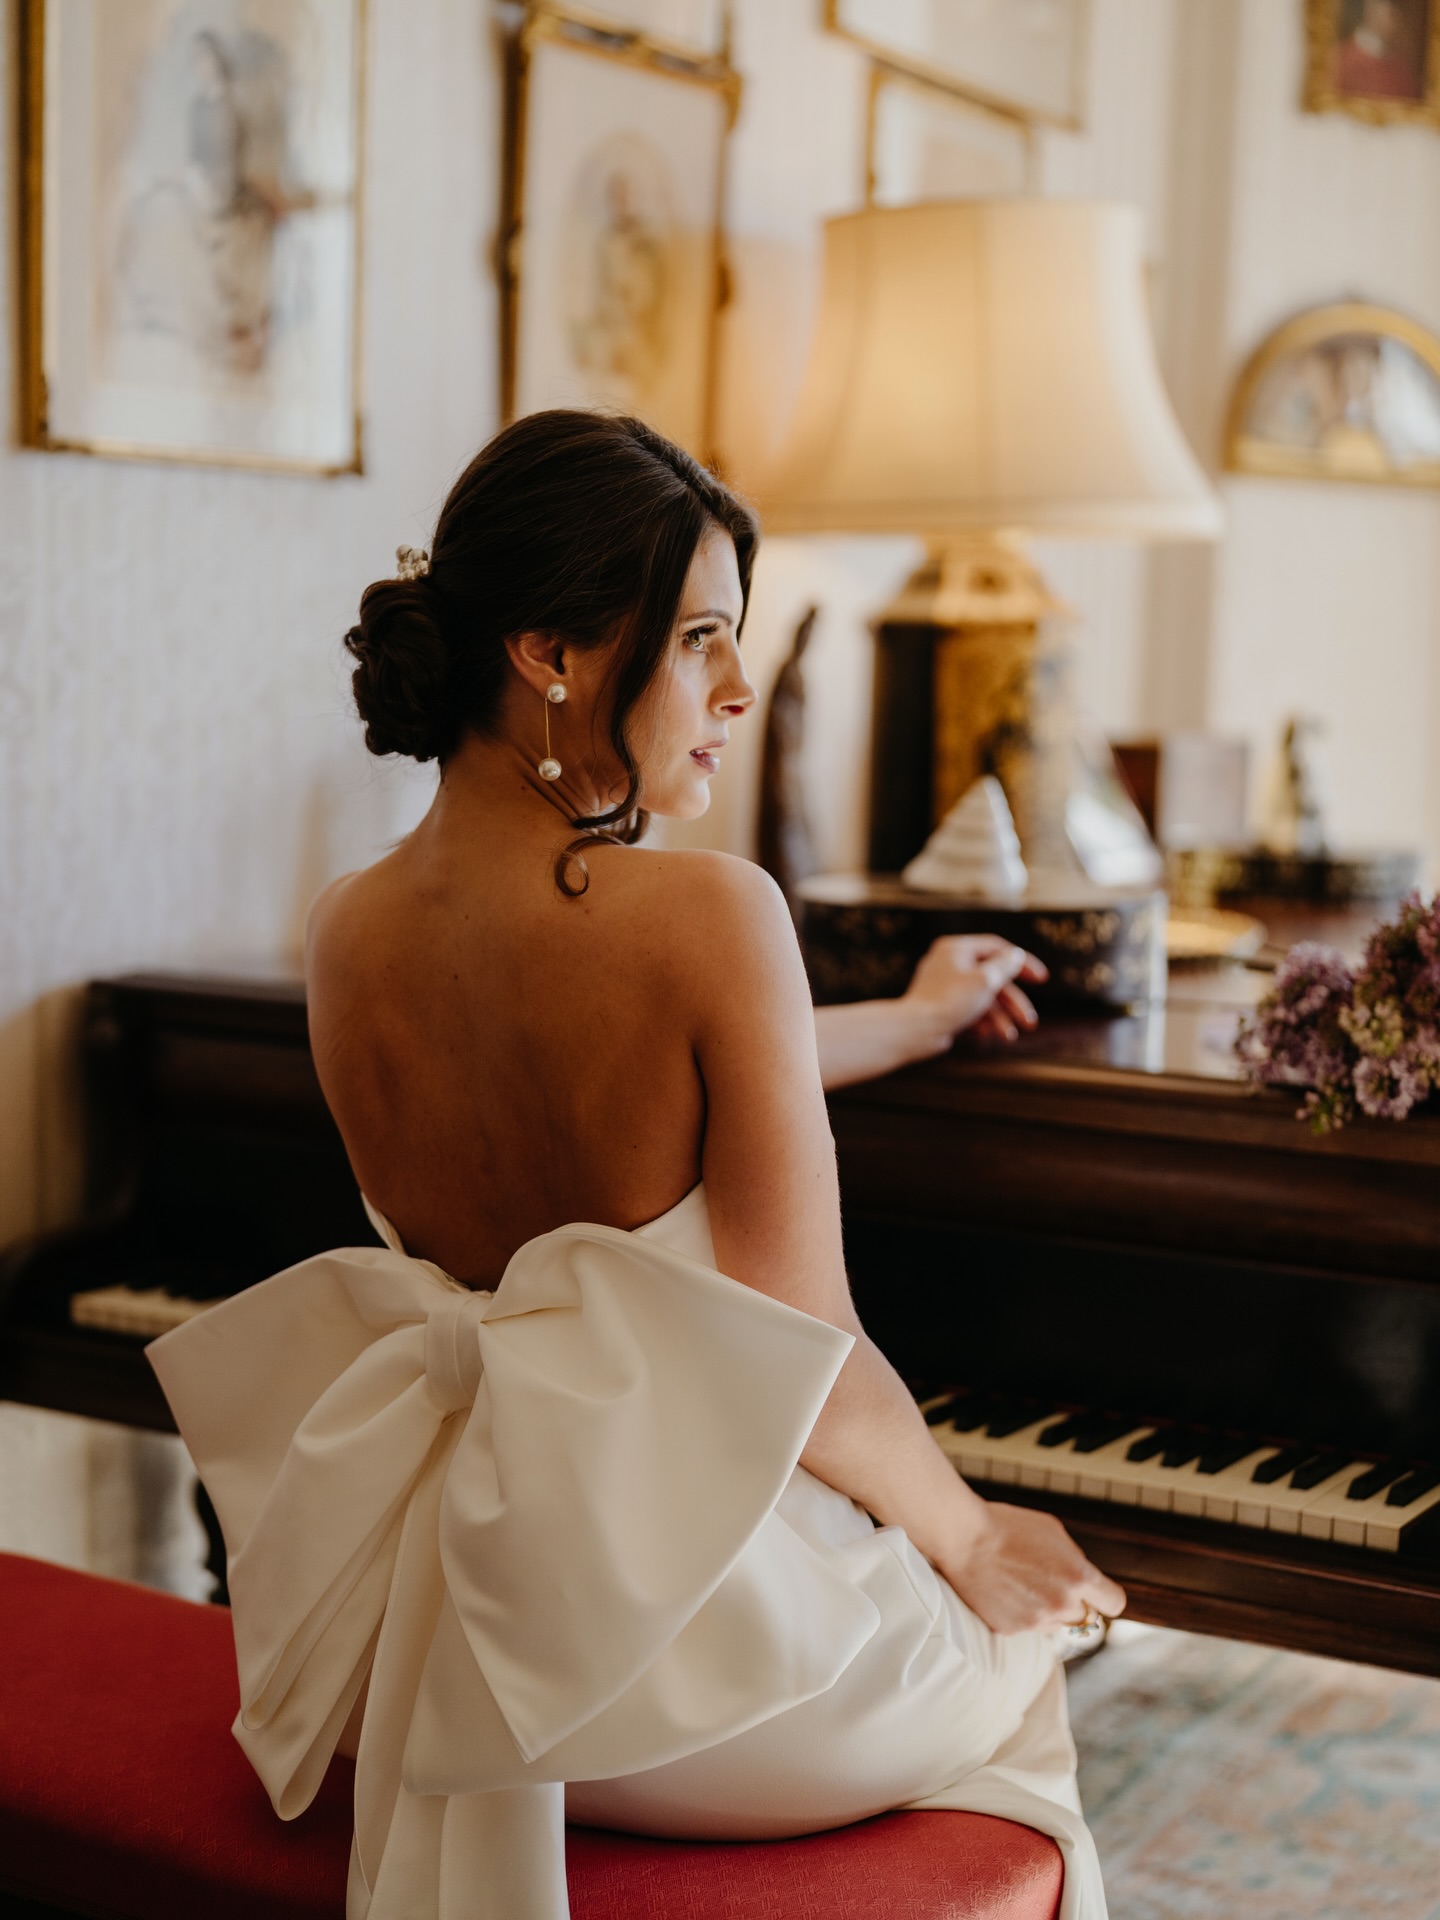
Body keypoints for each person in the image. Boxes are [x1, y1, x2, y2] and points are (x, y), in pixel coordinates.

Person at [149, 412, 1119, 1920]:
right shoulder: (715, 917)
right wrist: (976, 1534)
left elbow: (624, 1073)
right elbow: (817, 1356)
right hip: (684, 1684)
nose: (736, 690)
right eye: (702, 641)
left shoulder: (346, 931)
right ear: (551, 653)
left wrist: (914, 1021)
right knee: (1025, 1675)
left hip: (452, 1655)